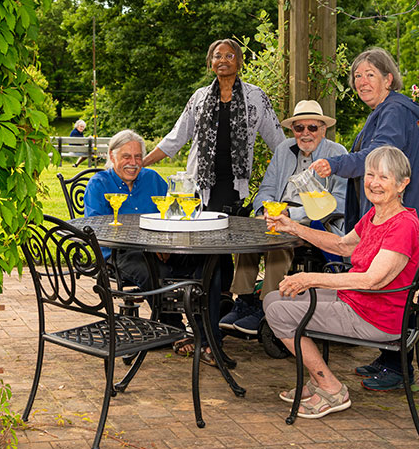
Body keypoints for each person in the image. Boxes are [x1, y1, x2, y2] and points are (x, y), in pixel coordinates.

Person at [309, 47, 419, 392]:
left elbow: (380, 158)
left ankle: (399, 366)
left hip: (403, 217)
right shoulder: (387, 110)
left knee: (403, 288)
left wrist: (337, 164)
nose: (361, 81)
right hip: (395, 216)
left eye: (370, 74)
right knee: (395, 286)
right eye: (357, 76)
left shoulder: (395, 111)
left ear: (388, 79)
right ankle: (388, 357)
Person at [142, 38, 285, 350]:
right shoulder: (198, 98)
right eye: (217, 55)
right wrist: (142, 161)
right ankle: (211, 316)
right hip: (199, 187)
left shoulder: (256, 98)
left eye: (230, 55)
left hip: (233, 187)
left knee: (219, 247)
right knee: (208, 250)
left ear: (239, 62)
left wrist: (297, 169)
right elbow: (175, 138)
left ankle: (215, 314)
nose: (223, 60)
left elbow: (278, 140)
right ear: (210, 63)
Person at [263, 146, 419, 419]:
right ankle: (317, 377)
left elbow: (373, 281)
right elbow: (341, 245)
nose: (373, 183)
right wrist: (292, 227)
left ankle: (330, 388)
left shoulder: (402, 225)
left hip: (377, 316)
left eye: (384, 177)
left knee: (279, 311)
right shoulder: (376, 215)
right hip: (359, 302)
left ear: (402, 183)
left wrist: (310, 279)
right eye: (370, 174)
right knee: (272, 299)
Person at [219, 99, 349, 335]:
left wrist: (292, 215)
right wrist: (265, 210)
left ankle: (268, 305)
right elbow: (266, 188)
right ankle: (245, 300)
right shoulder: (284, 150)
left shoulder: (336, 154)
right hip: (279, 212)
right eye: (299, 128)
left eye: (312, 127)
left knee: (278, 237)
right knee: (249, 234)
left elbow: (340, 201)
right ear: (293, 130)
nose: (305, 133)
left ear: (323, 128)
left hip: (315, 222)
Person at [83, 129, 168, 292]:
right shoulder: (99, 185)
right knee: (155, 272)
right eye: (126, 156)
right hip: (117, 255)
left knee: (207, 264)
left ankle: (209, 316)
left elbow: (171, 216)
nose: (133, 162)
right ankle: (168, 318)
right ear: (112, 156)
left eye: (138, 156)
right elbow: (96, 228)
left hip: (159, 250)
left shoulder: (153, 179)